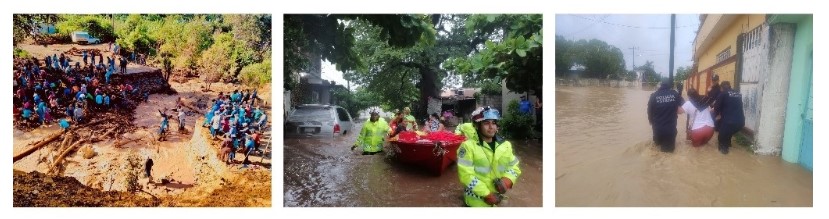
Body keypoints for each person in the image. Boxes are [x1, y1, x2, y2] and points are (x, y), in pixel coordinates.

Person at [456, 106, 522, 207]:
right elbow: (466, 176)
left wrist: (508, 180)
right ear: (477, 126)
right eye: (486, 123)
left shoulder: (506, 145)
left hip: (497, 200)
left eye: (494, 123)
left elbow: (514, 167)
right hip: (476, 202)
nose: (491, 127)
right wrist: (487, 195)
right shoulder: (467, 147)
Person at [647, 79, 683, 153]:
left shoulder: (653, 96)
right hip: (670, 130)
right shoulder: (674, 94)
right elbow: (683, 105)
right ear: (670, 85)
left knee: (656, 150)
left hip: (657, 130)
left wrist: (650, 121)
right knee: (667, 154)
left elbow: (649, 111)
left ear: (661, 85)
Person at [714, 81, 745, 155]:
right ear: (730, 86)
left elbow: (716, 107)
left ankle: (724, 150)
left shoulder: (723, 94)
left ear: (721, 88)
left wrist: (717, 115)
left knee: (721, 136)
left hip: (729, 122)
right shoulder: (738, 93)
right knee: (728, 133)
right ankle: (728, 144)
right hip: (740, 122)